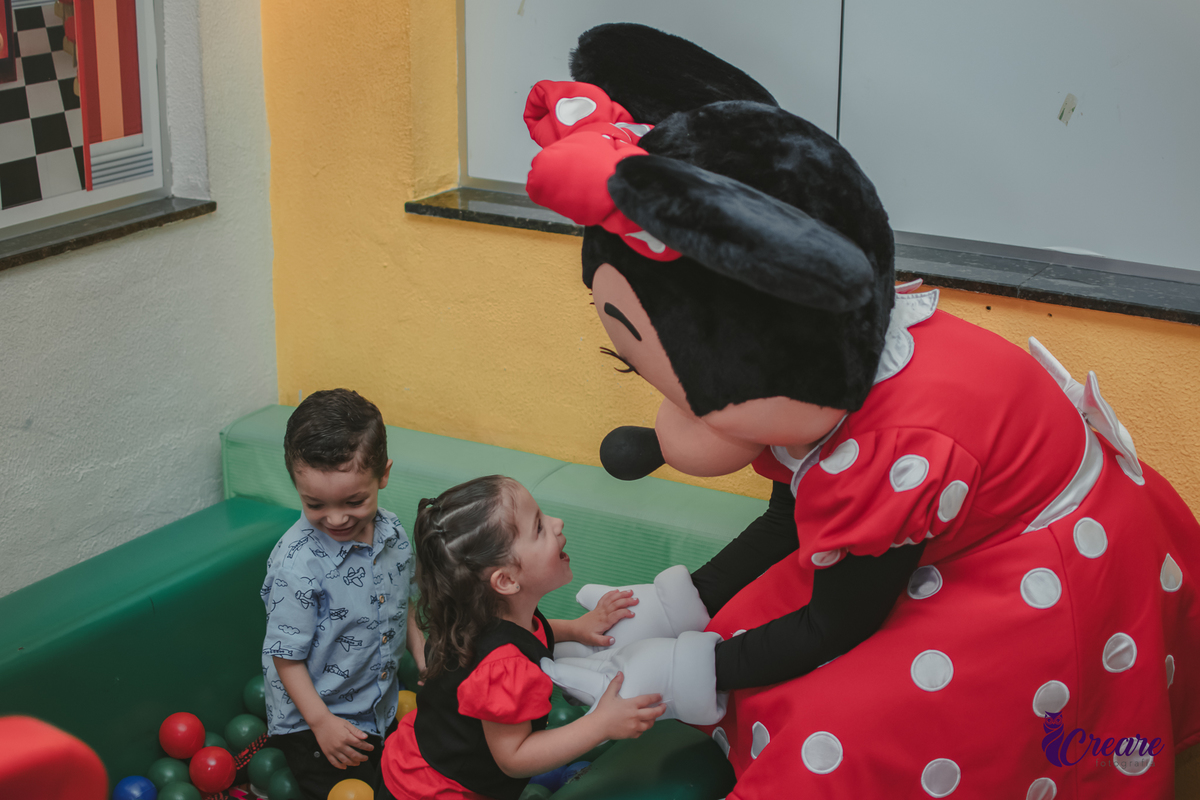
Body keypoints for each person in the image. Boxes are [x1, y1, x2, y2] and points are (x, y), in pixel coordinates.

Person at [379, 475, 666, 800]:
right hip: (432, 791)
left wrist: (577, 627)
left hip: (416, 753)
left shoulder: (486, 614)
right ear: (506, 581)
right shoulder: (503, 667)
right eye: (539, 527)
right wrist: (600, 725)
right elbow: (514, 758)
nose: (557, 523)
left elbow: (525, 635)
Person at [260, 389, 425, 799]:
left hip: (378, 703)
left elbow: (401, 603)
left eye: (354, 501)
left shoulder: (393, 534)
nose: (335, 518)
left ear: (382, 475)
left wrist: (423, 656)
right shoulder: (297, 565)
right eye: (315, 504)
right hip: (315, 719)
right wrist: (321, 724)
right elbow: (285, 657)